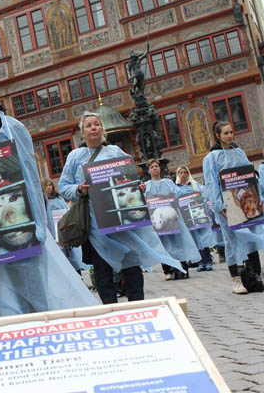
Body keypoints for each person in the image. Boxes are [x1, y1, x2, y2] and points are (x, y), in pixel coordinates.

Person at [0, 75, 97, 318]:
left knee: (30, 291)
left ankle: (37, 337)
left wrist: (38, 222)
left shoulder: (12, 129)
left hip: (18, 224)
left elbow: (31, 178)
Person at [59, 112, 183, 304]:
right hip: (95, 224)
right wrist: (78, 188)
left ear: (102, 129)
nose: (93, 128)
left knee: (131, 264)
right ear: (82, 132)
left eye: (97, 124)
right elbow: (63, 187)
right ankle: (111, 308)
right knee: (102, 269)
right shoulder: (75, 157)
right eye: (89, 125)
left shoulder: (116, 153)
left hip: (122, 221)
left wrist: (138, 187)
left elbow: (131, 178)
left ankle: (137, 305)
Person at [202, 121, 264, 294]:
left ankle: (259, 275)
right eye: (226, 133)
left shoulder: (239, 152)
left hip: (247, 202)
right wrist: (218, 206)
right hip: (227, 206)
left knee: (252, 238)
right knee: (231, 240)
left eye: (231, 132)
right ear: (217, 135)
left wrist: (258, 197)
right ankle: (235, 279)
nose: (230, 135)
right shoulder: (211, 158)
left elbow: (250, 175)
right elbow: (211, 183)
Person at [145, 159, 201, 280]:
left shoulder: (168, 182)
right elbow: (145, 199)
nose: (155, 168)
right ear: (148, 170)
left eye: (156, 166)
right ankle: (167, 270)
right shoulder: (146, 185)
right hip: (158, 219)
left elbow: (178, 193)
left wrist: (168, 199)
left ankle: (182, 268)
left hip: (173, 217)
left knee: (178, 242)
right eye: (152, 167)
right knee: (164, 244)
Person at [175, 165, 216, 272]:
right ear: (178, 174)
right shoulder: (176, 187)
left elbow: (203, 198)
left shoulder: (194, 185)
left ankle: (208, 261)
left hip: (199, 215)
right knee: (195, 239)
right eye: (181, 173)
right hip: (187, 217)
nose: (183, 175)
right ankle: (200, 262)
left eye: (185, 172)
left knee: (204, 238)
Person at [42, 179, 85, 272]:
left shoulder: (59, 198)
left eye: (50, 185)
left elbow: (67, 211)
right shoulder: (43, 201)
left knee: (72, 251)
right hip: (53, 228)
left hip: (64, 225)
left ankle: (78, 271)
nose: (49, 187)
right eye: (46, 185)